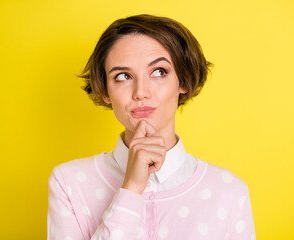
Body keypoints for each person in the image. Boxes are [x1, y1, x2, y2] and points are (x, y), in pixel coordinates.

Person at [47, 14, 256, 240]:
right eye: (123, 76)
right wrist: (131, 188)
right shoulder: (69, 183)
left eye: (159, 72)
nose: (140, 92)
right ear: (106, 90)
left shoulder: (228, 192)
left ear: (183, 81)